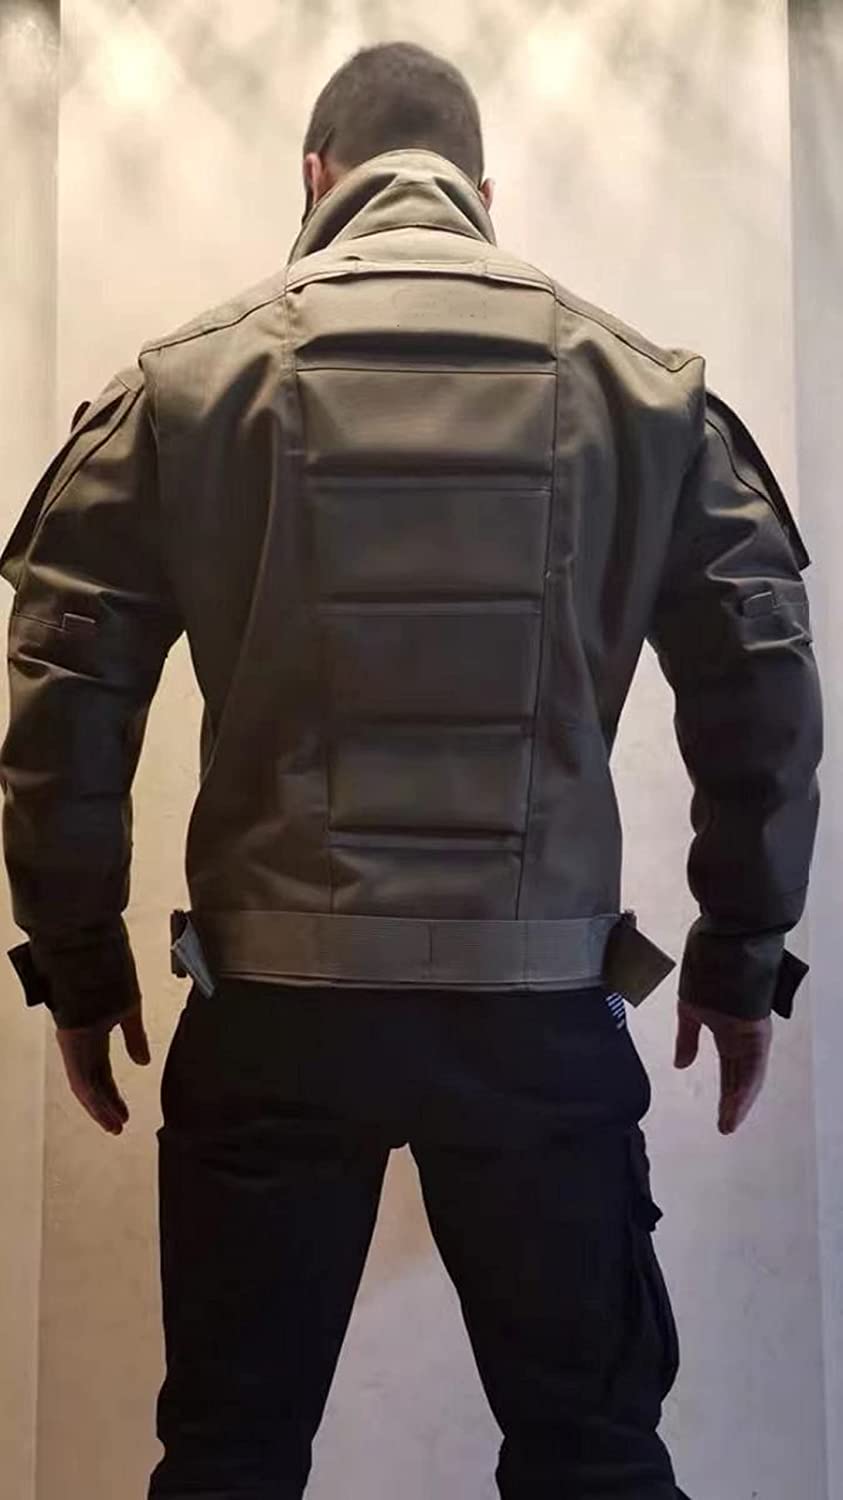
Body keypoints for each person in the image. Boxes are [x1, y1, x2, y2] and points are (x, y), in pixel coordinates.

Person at [0, 39, 821, 1500]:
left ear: (314, 177)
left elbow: (66, 682)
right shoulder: (645, 392)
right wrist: (738, 959)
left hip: (273, 1017)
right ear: (483, 194)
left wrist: (79, 963)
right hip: (540, 1020)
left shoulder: (187, 385)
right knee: (596, 1461)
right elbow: (761, 679)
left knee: (230, 1462)